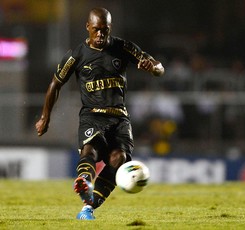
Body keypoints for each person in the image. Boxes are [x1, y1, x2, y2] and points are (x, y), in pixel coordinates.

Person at [35, 7, 164, 220]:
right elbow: (55, 84)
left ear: (109, 28)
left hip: (119, 117)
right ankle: (84, 180)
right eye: (96, 30)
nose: (100, 35)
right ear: (88, 27)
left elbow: (160, 68)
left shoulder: (123, 47)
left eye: (105, 30)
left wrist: (152, 68)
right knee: (90, 150)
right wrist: (44, 117)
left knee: (118, 159)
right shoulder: (76, 55)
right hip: (92, 115)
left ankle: (88, 208)